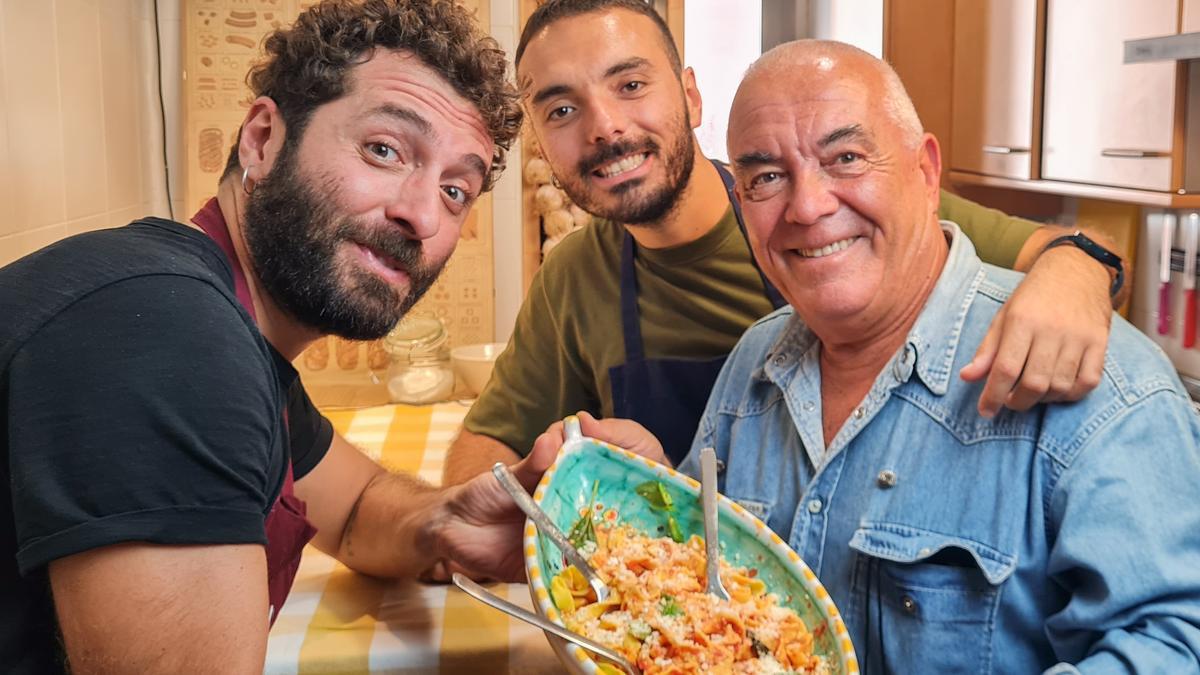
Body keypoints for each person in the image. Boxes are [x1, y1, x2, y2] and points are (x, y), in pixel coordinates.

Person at [547, 39, 1200, 672]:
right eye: (767, 177)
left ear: (925, 171)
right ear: (742, 205)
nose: (807, 206)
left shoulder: (1105, 384)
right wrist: (651, 492)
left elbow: (1175, 645)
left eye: (847, 158)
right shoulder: (753, 367)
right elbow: (703, 579)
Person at [0, 2, 547, 672]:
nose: (423, 215)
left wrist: (447, 522)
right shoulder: (172, 334)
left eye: (456, 190)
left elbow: (355, 512)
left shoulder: (221, 323)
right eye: (385, 149)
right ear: (261, 139)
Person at [444, 0, 1127, 480]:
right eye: (561, 108)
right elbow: (480, 452)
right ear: (539, 137)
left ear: (691, 97)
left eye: (630, 84)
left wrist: (1075, 274)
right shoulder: (574, 278)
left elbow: (1076, 248)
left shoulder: (840, 214)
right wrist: (563, 486)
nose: (604, 127)